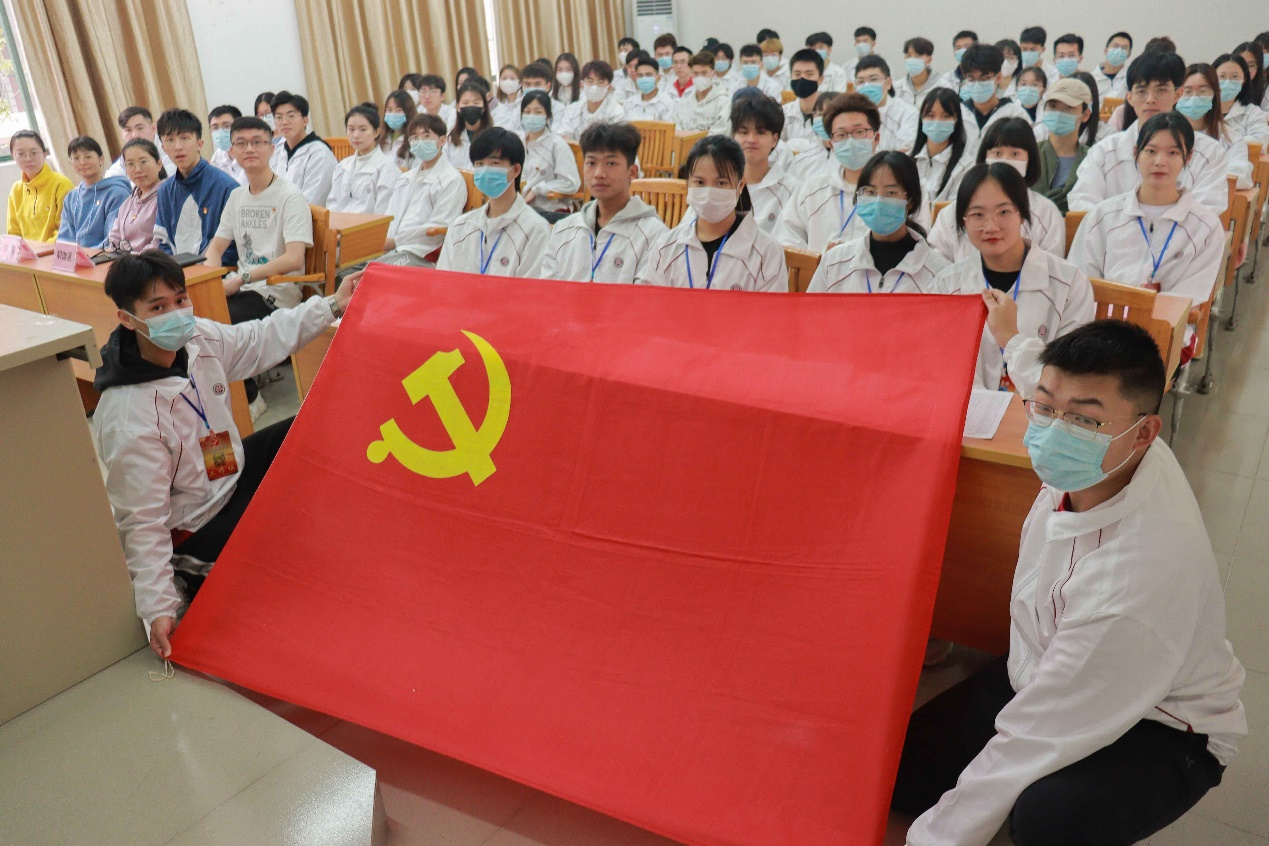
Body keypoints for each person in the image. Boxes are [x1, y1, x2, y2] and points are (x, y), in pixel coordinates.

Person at [895, 317, 1246, 846]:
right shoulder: (1115, 456)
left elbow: (1034, 736)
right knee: (905, 769)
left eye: (1083, 420)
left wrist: (932, 839)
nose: (1055, 431)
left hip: (1165, 725)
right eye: (1045, 407)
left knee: (1048, 820)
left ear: (1145, 431)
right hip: (1054, 665)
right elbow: (1043, 377)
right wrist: (1014, 339)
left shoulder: (1130, 582)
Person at [92, 250, 361, 658]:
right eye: (158, 308)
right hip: (194, 524)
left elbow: (259, 339)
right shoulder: (129, 418)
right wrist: (158, 607)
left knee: (310, 427)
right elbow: (142, 522)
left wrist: (332, 305)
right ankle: (189, 576)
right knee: (285, 552)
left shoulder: (197, 338)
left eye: (180, 299)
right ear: (127, 319)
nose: (176, 313)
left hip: (227, 474)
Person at [1069, 113, 1224, 362]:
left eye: (1173, 153)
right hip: (1100, 329)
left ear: (1188, 158)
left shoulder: (1205, 227)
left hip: (1163, 334)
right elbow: (1081, 281)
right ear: (1136, 153)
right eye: (1151, 151)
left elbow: (1189, 296)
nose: (1160, 162)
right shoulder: (1103, 216)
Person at [932, 162, 1093, 396]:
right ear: (963, 220)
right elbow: (943, 371)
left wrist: (1011, 339)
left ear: (1023, 214)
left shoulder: (1069, 284)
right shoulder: (946, 286)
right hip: (970, 412)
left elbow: (1069, 378)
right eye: (977, 214)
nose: (990, 226)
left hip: (1041, 411)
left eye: (1004, 212)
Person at [1069, 51, 1229, 215]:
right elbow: (1082, 200)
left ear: (1178, 94)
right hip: (1114, 231)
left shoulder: (1208, 152)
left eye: (1161, 90)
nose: (1150, 99)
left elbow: (1207, 210)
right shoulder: (1105, 151)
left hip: (1181, 231)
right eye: (1141, 91)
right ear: (1130, 98)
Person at [203, 116, 314, 331]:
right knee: (193, 311)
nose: (249, 149)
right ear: (232, 150)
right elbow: (215, 249)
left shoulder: (290, 196)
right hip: (242, 287)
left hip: (275, 294)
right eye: (241, 143)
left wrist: (242, 279)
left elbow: (294, 258)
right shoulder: (236, 196)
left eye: (257, 142)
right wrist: (212, 283)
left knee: (215, 324)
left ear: (272, 149)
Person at [644, 135, 787, 291]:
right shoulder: (665, 248)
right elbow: (650, 302)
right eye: (699, 182)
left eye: (721, 183)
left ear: (740, 185)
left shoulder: (766, 252)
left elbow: (771, 306)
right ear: (687, 184)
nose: (709, 192)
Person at [541, 122, 668, 284]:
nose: (599, 174)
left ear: (632, 172)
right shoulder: (564, 229)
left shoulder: (653, 235)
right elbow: (548, 290)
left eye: (611, 163)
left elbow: (646, 296)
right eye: (591, 163)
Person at [807, 151, 949, 293]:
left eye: (891, 193)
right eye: (870, 192)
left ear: (911, 201)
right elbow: (812, 306)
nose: (878, 202)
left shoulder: (938, 274)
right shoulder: (834, 263)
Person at [929, 117, 1067, 261]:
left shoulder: (1046, 213)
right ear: (984, 158)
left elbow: (1052, 267)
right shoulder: (954, 211)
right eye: (997, 153)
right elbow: (936, 262)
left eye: (1015, 154)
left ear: (1030, 160)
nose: (1005, 161)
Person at [435, 128, 550, 277]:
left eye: (494, 163)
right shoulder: (459, 226)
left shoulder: (535, 230)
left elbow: (530, 288)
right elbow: (443, 281)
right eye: (479, 164)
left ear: (515, 170)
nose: (485, 171)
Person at [776, 93, 878, 252]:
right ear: (831, 143)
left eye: (859, 132)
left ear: (876, 138)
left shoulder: (893, 192)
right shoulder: (812, 190)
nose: (850, 140)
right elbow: (787, 237)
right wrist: (818, 260)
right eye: (841, 135)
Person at [374, 114, 467, 268]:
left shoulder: (451, 180)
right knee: (346, 269)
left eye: (426, 136)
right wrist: (383, 242)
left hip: (422, 253)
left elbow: (439, 226)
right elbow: (391, 214)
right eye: (415, 137)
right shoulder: (406, 178)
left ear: (442, 140)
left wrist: (395, 241)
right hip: (392, 248)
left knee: (367, 275)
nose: (420, 141)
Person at [153, 109, 240, 266]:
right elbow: (163, 242)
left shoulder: (226, 187)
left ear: (200, 143)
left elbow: (233, 247)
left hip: (215, 273)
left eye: (184, 138)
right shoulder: (164, 191)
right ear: (163, 148)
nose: (178, 147)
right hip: (177, 273)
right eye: (170, 140)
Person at [1176, 63, 1253, 190]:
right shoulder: (1166, 134)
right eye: (1187, 91)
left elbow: (1241, 177)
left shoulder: (1231, 138)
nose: (1194, 98)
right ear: (1177, 95)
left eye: (1202, 91)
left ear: (1215, 95)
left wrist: (1202, 180)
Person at [732, 95, 799, 234]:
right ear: (733, 137)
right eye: (743, 132)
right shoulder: (720, 184)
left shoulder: (792, 191)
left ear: (774, 140)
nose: (751, 139)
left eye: (760, 132)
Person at [57, 136, 131, 249]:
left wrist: (87, 255)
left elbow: (113, 238)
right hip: (79, 257)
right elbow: (65, 239)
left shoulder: (117, 193)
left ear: (101, 159)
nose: (82, 162)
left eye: (88, 157)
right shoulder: (71, 198)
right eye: (76, 158)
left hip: (107, 255)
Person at [325, 103, 399, 215]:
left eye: (363, 129)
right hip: (341, 224)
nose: (356, 135)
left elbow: (384, 212)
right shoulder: (342, 166)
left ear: (376, 132)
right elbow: (333, 204)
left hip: (370, 225)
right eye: (351, 129)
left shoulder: (387, 169)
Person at [518, 90, 581, 219]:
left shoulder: (557, 144)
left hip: (550, 210)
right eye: (527, 112)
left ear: (548, 116)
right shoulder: (518, 143)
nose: (531, 116)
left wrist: (538, 190)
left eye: (538, 112)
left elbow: (571, 183)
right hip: (521, 209)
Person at [266, 91, 337, 205]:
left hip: (308, 214)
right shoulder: (277, 152)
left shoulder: (319, 153)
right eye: (278, 117)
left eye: (291, 116)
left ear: (305, 120)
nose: (284, 122)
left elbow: (312, 201)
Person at [1034, 79, 1094, 213]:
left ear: (1085, 115)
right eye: (1053, 106)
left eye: (1068, 108)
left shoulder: (1092, 159)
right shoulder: (1030, 154)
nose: (1059, 113)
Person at [913, 88, 973, 211]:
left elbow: (954, 209)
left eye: (945, 116)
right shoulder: (909, 161)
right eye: (931, 115)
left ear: (956, 120)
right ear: (922, 118)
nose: (937, 122)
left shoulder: (966, 165)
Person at [958, 43, 1031, 145]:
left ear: (998, 77)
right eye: (971, 78)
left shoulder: (1015, 115)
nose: (977, 84)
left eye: (984, 78)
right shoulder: (958, 113)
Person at [6, 130, 72, 241]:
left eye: (34, 153)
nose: (28, 159)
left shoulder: (61, 184)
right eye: (21, 154)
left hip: (55, 249)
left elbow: (66, 231)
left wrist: (40, 249)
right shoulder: (16, 190)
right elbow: (13, 233)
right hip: (27, 251)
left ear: (44, 154)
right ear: (13, 156)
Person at [105, 139, 166, 254]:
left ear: (159, 164)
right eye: (130, 164)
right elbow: (114, 236)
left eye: (143, 162)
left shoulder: (166, 197)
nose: (137, 170)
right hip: (126, 260)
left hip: (152, 261)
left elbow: (160, 243)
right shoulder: (128, 202)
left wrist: (134, 258)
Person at [855, 56, 919, 153]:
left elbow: (904, 153)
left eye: (873, 79)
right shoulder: (852, 114)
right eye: (861, 81)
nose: (867, 86)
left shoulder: (907, 113)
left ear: (888, 83)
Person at [103, 107, 176, 182]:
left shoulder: (169, 147)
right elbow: (109, 179)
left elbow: (169, 176)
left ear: (153, 128)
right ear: (122, 134)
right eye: (128, 130)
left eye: (140, 128)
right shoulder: (128, 153)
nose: (135, 135)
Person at [559, 61, 625, 141]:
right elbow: (564, 137)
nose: (595, 86)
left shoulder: (616, 112)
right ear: (582, 85)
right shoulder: (571, 110)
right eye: (590, 81)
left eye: (600, 82)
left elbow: (615, 142)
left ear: (609, 88)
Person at [1215, 53, 1269, 146]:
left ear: (1243, 81)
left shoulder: (1253, 112)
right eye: (1222, 76)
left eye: (1235, 77)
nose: (1228, 82)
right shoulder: (1201, 110)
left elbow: (1259, 141)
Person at [672, 51, 731, 134]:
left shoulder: (723, 103)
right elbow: (676, 132)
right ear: (691, 74)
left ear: (713, 73)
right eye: (696, 73)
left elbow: (722, 131)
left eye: (704, 73)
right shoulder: (683, 105)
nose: (700, 77)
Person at [445, 82, 494, 168]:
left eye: (476, 103)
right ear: (458, 107)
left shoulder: (494, 136)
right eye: (465, 103)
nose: (471, 107)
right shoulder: (450, 138)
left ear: (484, 107)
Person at [781, 49, 824, 143]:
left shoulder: (831, 112)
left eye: (809, 74)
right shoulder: (783, 113)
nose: (802, 78)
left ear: (821, 79)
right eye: (797, 74)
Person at [624, 53, 674, 121]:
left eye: (648, 75)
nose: (644, 79)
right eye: (640, 76)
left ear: (658, 78)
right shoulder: (629, 103)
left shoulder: (667, 103)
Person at [207, 105, 247, 186]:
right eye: (215, 128)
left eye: (226, 126)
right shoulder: (217, 156)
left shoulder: (252, 152)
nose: (220, 132)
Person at [379, 90, 418, 169]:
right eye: (389, 110)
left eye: (399, 110)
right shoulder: (380, 139)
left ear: (408, 113)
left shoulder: (415, 140)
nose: (393, 114)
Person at [895, 37, 938, 106]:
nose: (912, 59)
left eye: (918, 56)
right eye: (909, 55)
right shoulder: (896, 88)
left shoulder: (942, 87)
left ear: (929, 60)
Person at [1092, 32, 1133, 99]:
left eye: (1124, 48)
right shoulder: (1093, 78)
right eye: (1115, 46)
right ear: (1106, 51)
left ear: (1129, 54)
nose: (1119, 50)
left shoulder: (1131, 77)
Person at [491, 64, 523, 131]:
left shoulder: (524, 101)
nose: (508, 82)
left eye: (512, 78)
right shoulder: (497, 104)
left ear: (520, 82)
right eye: (504, 78)